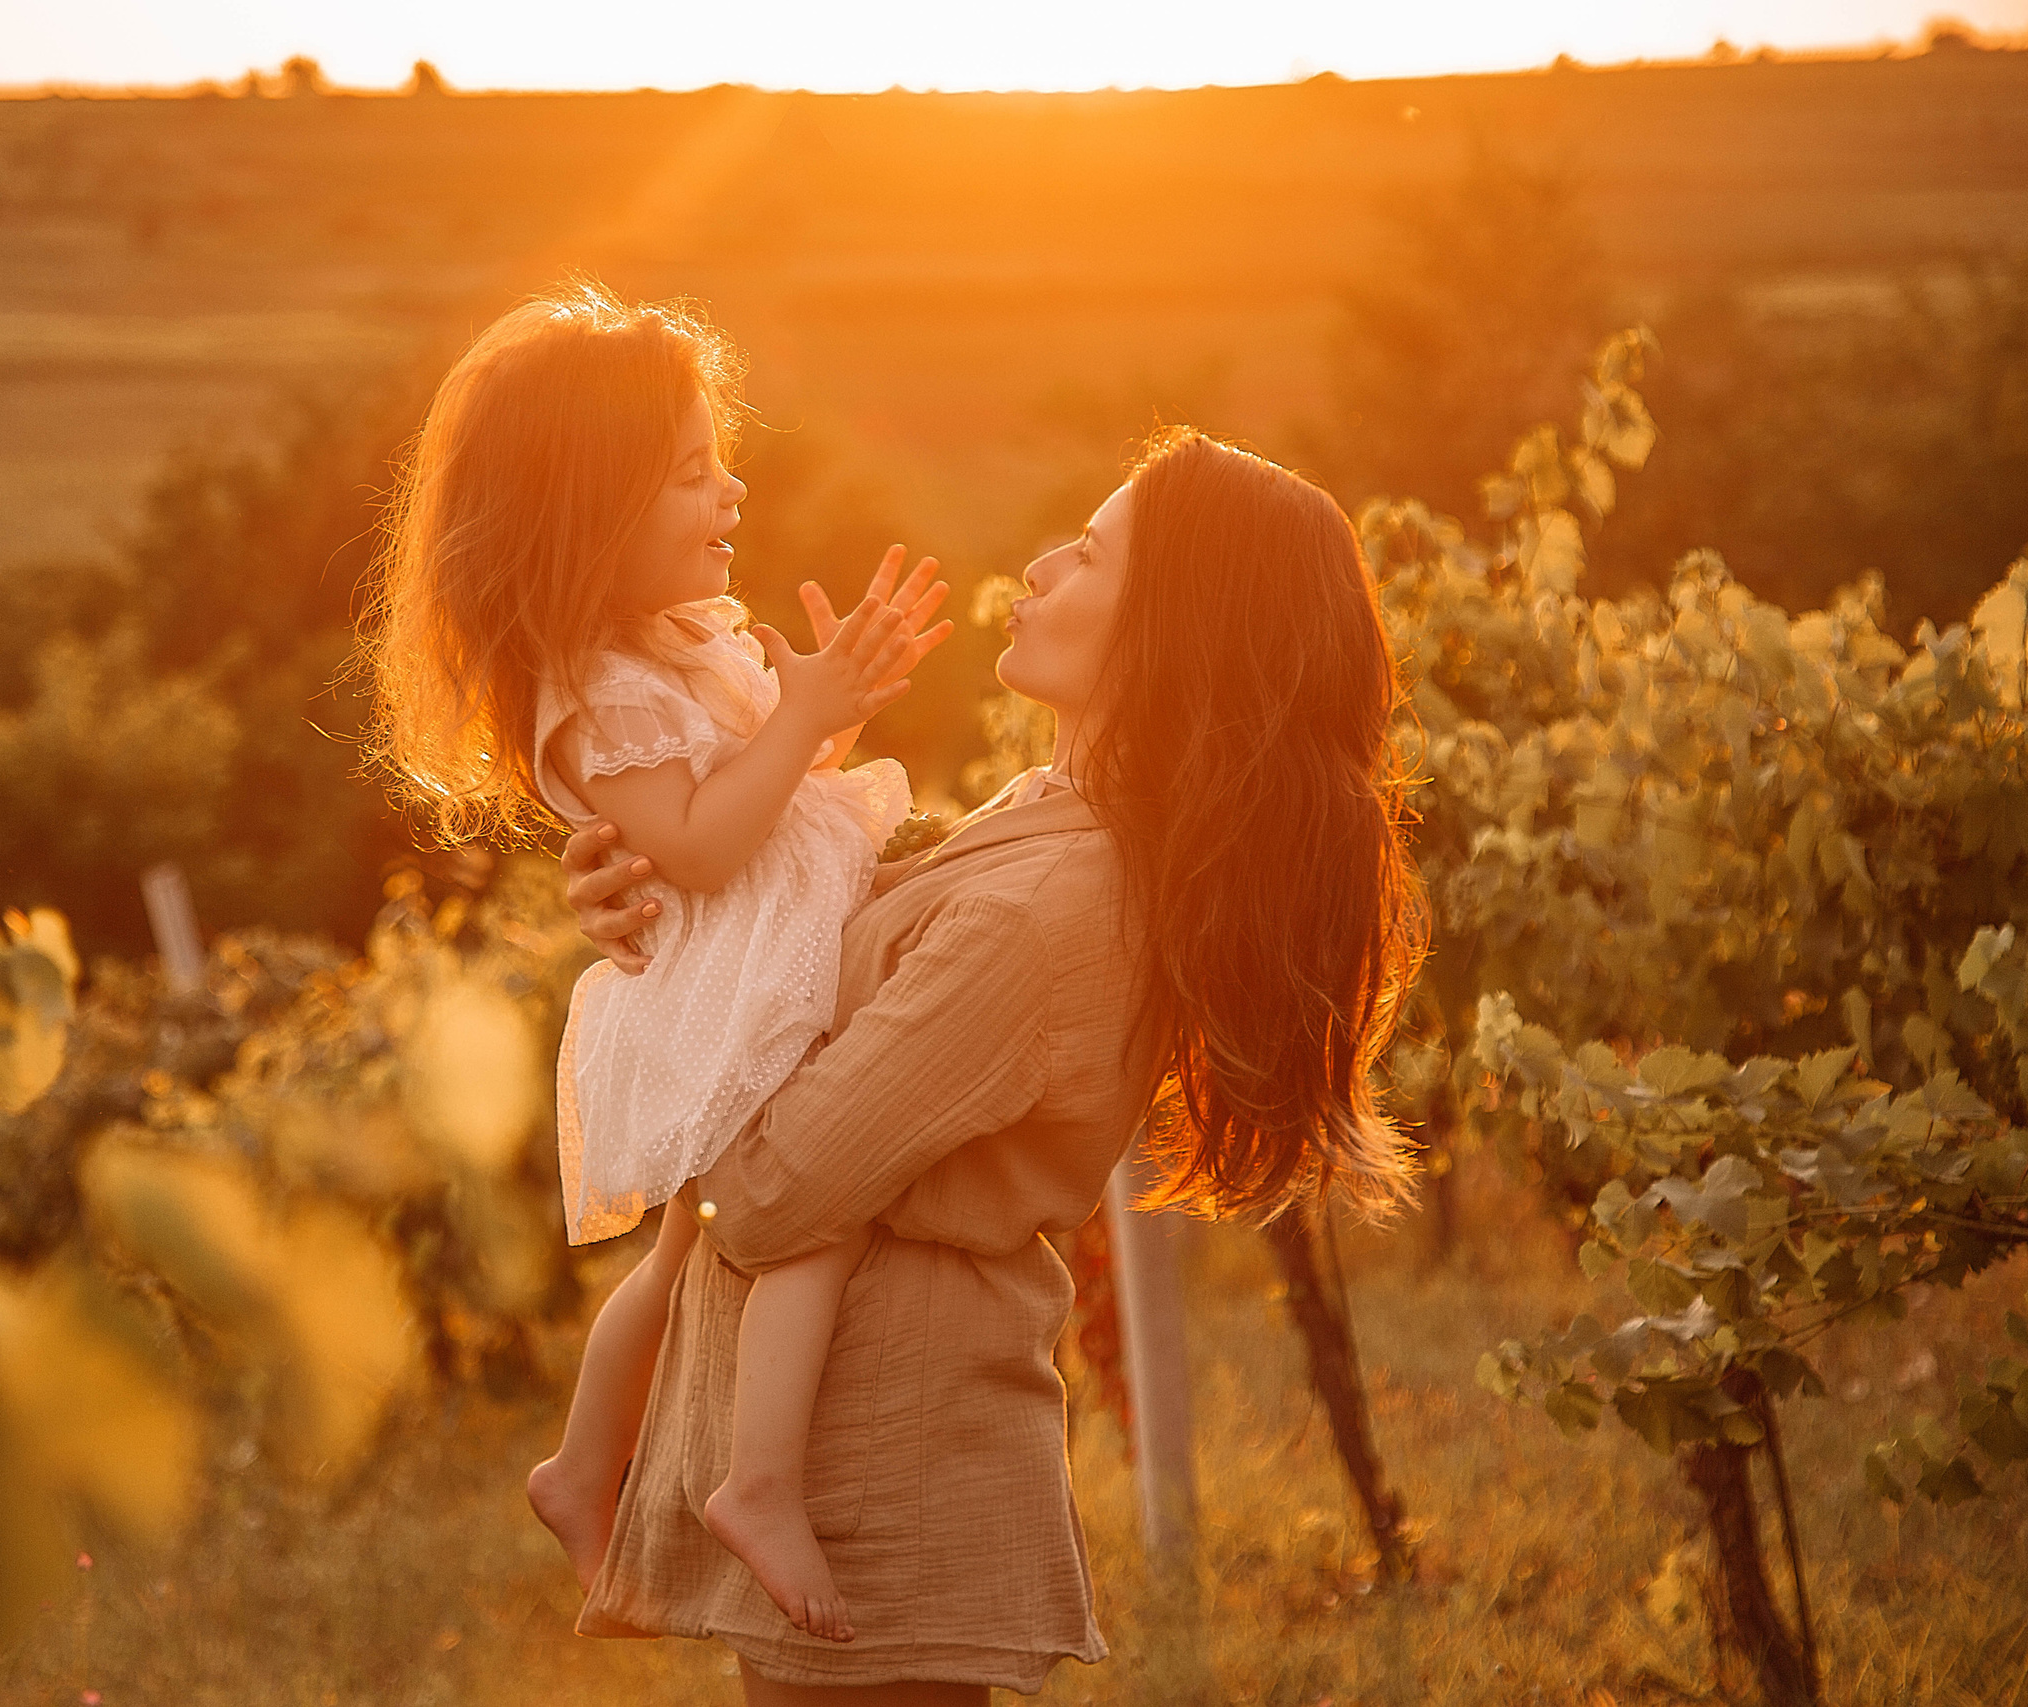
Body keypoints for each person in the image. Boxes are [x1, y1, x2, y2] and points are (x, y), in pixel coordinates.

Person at [556, 425, 1430, 1703]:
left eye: (1090, 555)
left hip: (877, 1471)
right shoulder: (1042, 818)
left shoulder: (1050, 905)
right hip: (850, 1451)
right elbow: (818, 941)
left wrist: (686, 1055)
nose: (1039, 564)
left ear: (1169, 632)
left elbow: (773, 1192)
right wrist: (660, 900)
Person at [362, 279, 958, 1644]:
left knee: (690, 1250)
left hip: (753, 961)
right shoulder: (600, 690)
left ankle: (582, 1469)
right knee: (815, 1203)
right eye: (691, 473)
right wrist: (802, 716)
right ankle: (758, 1481)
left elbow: (758, 787)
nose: (730, 489)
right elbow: (698, 845)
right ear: (592, 511)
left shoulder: (677, 645)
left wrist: (829, 702)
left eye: (717, 461)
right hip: (730, 987)